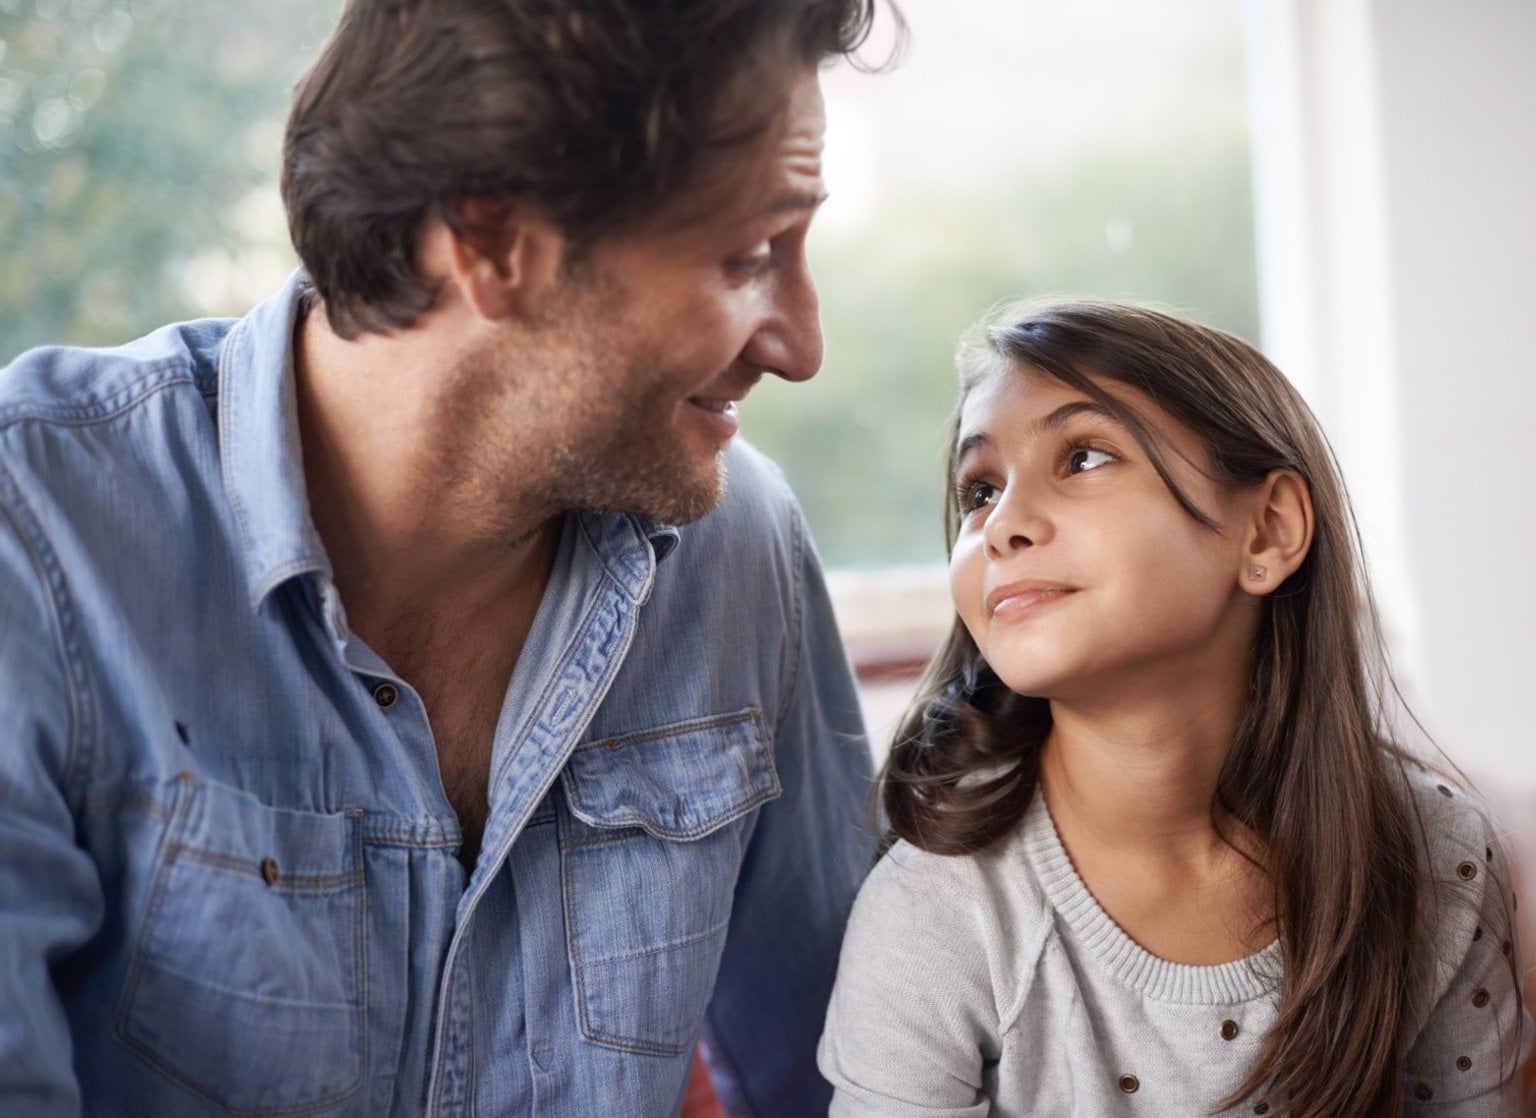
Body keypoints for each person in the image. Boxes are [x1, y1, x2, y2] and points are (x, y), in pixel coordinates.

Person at [0, 1, 902, 1114]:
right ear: (489, 239)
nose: (801, 344)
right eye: (749, 254)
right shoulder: (34, 540)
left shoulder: (737, 550)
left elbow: (850, 1078)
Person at [818, 300, 1532, 1117]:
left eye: (1083, 456)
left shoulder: (1439, 857)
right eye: (980, 490)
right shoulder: (934, 918)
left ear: (1266, 531)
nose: (1004, 524)